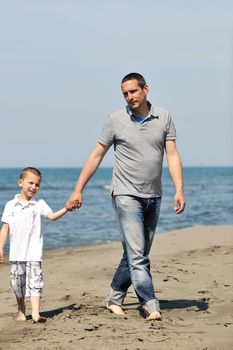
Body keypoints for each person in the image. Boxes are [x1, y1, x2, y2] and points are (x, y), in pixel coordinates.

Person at [66, 72, 185, 321]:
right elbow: (96, 155)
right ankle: (150, 303)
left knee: (135, 252)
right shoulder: (115, 120)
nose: (129, 97)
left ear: (145, 89)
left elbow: (172, 155)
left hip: (154, 195)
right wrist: (78, 189)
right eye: (125, 93)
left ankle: (114, 295)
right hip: (125, 194)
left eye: (133, 91)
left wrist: (179, 189)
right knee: (138, 254)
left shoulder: (164, 117)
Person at [0, 167, 68, 323]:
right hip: (17, 253)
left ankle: (36, 313)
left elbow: (52, 216)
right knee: (18, 284)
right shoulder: (11, 205)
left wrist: (66, 208)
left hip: (34, 252)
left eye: (37, 185)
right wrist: (0, 247)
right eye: (31, 183)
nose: (34, 187)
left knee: (36, 282)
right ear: (20, 182)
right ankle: (21, 311)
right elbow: (5, 228)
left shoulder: (39, 204)